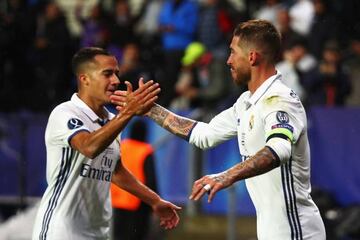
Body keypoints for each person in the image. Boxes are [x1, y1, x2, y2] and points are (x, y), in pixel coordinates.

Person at [111, 19, 326, 239]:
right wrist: (150, 110)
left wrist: (226, 176)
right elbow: (204, 135)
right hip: (274, 230)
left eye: (233, 52)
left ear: (252, 57)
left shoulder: (279, 100)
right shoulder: (246, 103)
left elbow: (278, 149)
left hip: (297, 230)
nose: (228, 60)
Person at [31, 47, 181, 240]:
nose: (116, 81)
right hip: (61, 231)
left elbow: (115, 170)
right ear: (84, 79)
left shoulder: (111, 120)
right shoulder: (65, 113)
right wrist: (127, 113)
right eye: (107, 74)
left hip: (98, 232)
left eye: (117, 74)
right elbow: (89, 147)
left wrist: (154, 200)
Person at [111, 119, 158, 240]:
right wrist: (155, 201)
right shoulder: (145, 150)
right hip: (138, 202)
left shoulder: (123, 146)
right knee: (137, 234)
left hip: (118, 199)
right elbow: (151, 178)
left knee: (119, 235)